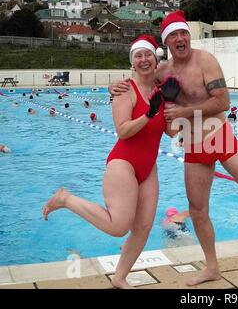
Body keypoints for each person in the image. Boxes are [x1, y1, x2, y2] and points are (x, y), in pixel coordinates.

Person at [109, 10, 238, 287]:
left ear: (189, 35)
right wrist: (112, 87)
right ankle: (212, 267)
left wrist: (185, 110)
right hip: (194, 146)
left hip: (220, 137)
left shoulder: (205, 61)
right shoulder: (163, 72)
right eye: (173, 35)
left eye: (183, 32)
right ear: (167, 43)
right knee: (197, 211)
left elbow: (222, 102)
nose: (180, 38)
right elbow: (140, 84)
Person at [43, 34, 179, 289]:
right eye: (138, 55)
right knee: (118, 227)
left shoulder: (161, 91)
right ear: (132, 62)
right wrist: (149, 113)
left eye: (147, 54)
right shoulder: (125, 90)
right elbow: (123, 130)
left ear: (155, 57)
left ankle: (119, 277)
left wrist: (174, 110)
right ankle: (66, 198)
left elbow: (170, 132)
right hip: (123, 163)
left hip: (148, 168)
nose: (143, 59)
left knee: (143, 228)